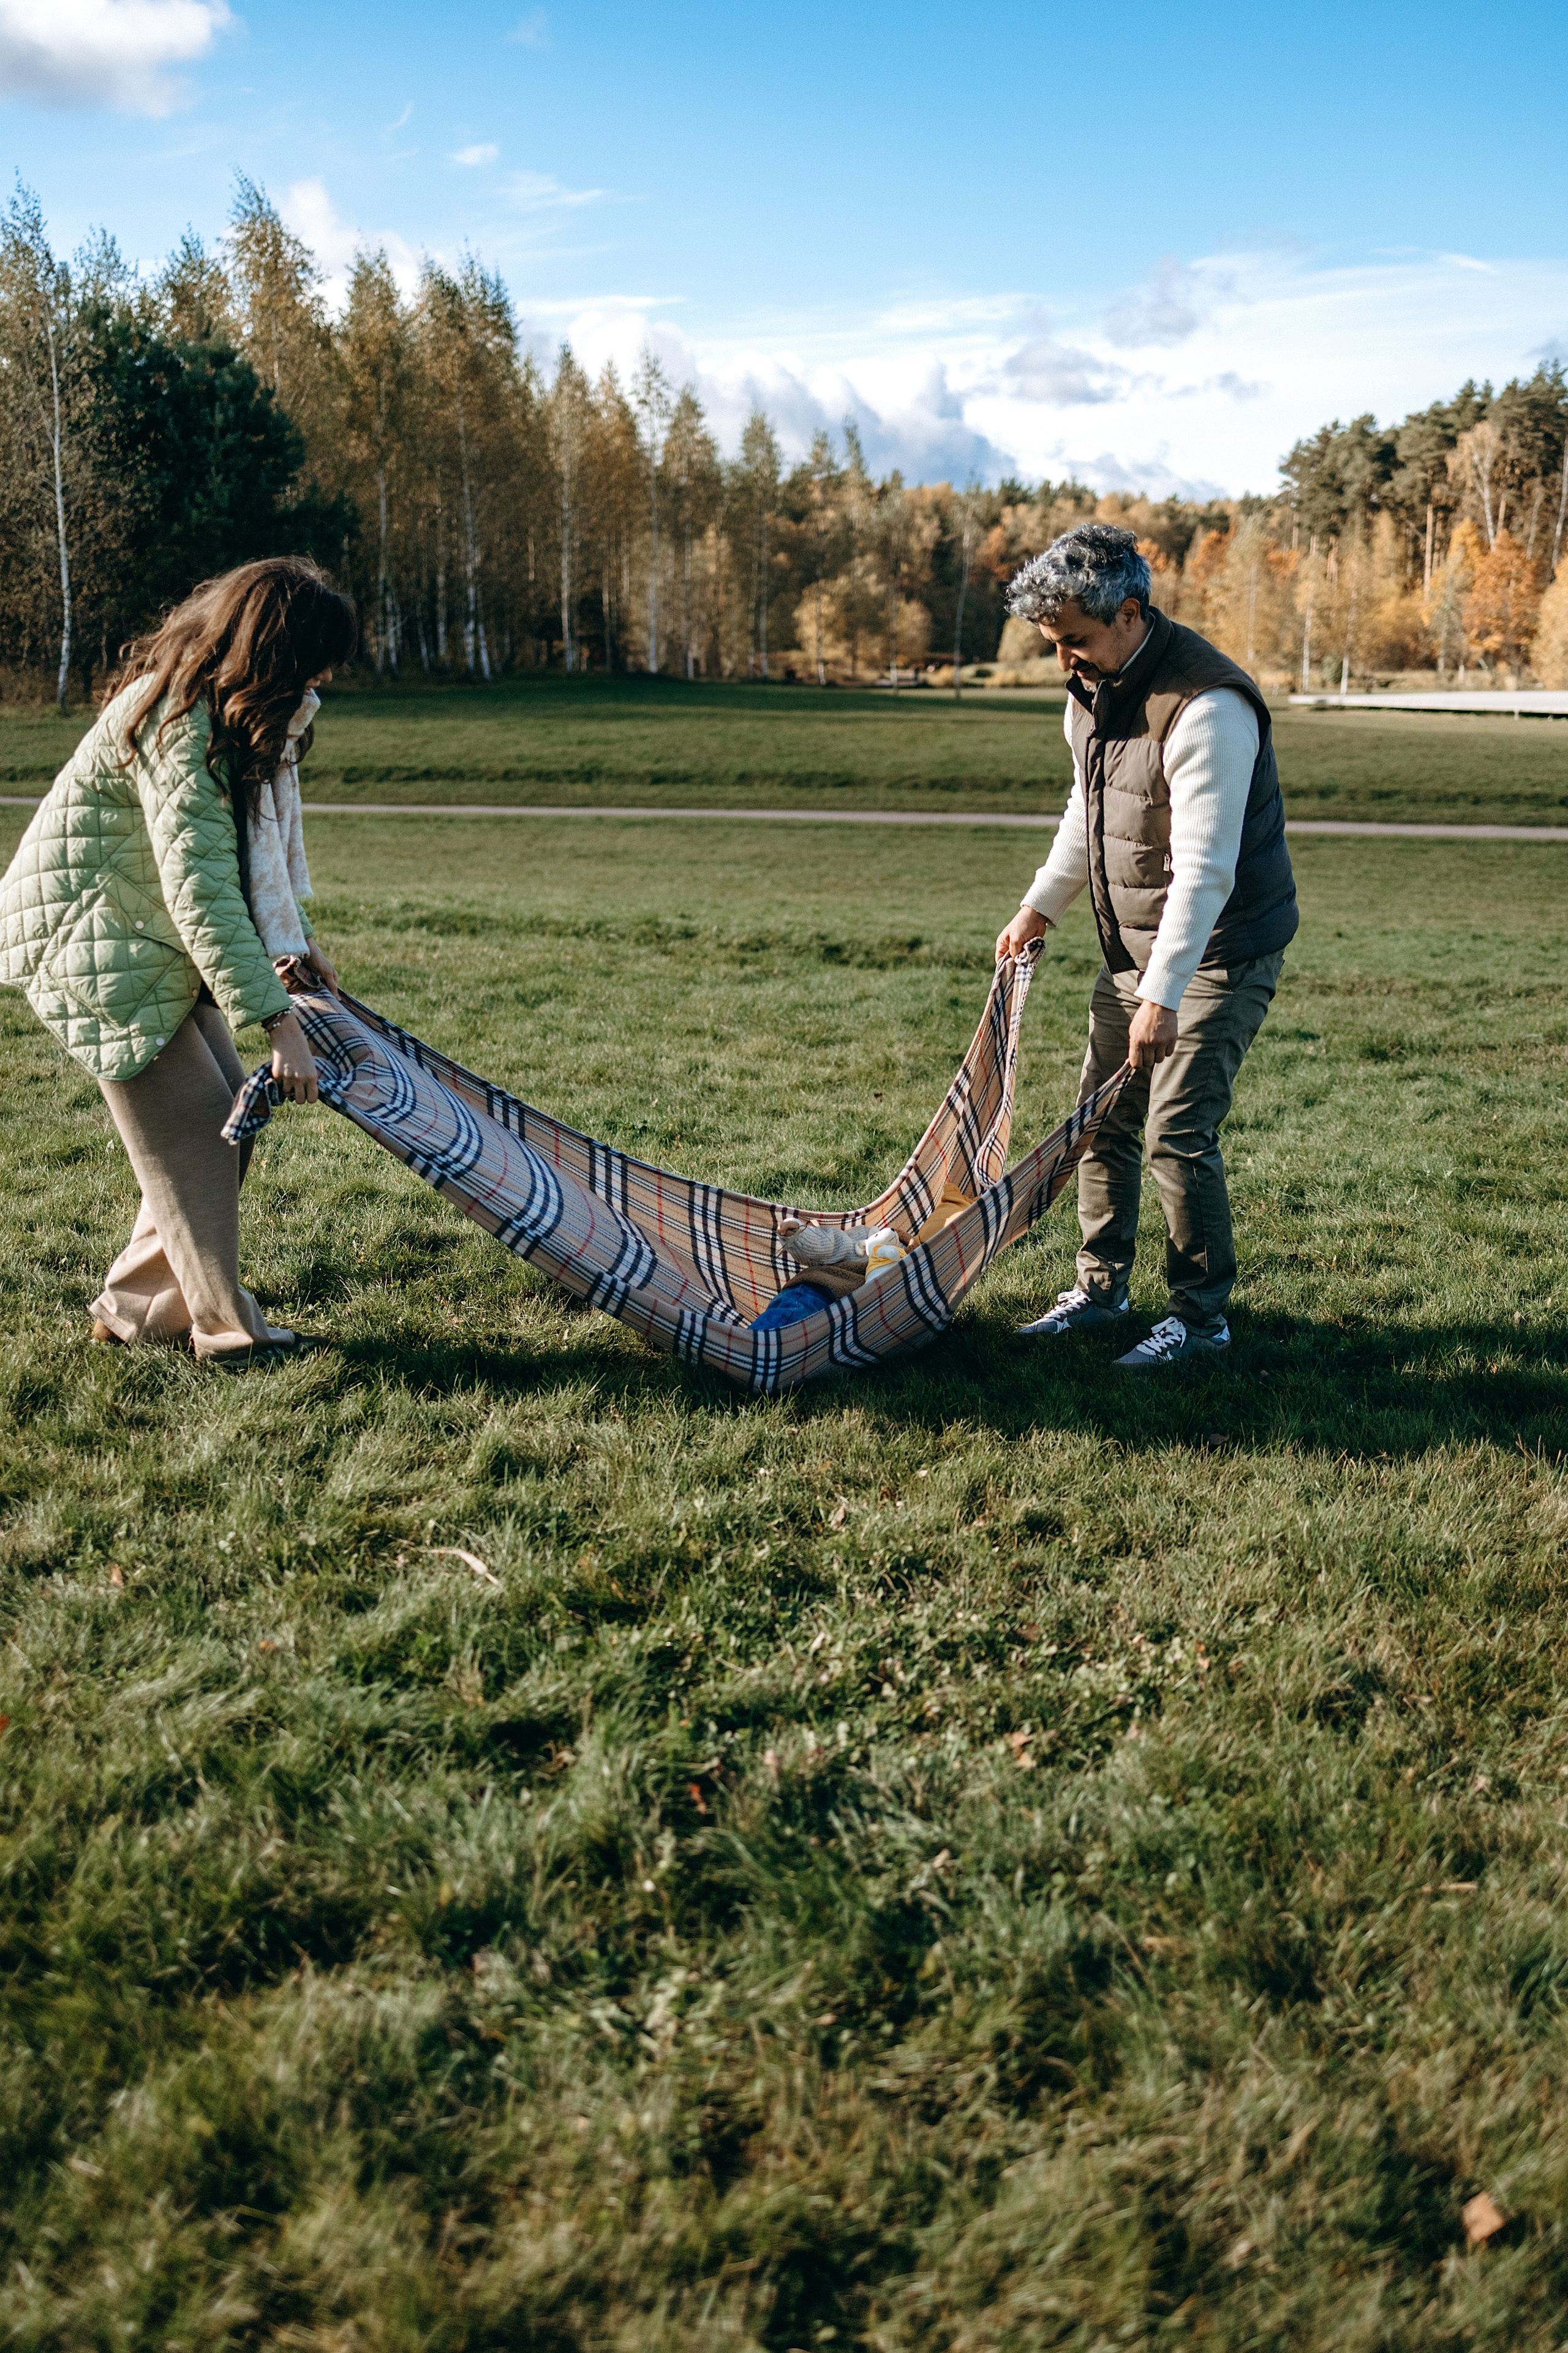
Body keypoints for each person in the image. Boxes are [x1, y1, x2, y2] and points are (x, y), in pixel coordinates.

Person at [0, 556, 355, 1367]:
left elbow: (241, 865)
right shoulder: (179, 725)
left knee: (228, 1113)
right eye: (314, 661)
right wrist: (278, 1024)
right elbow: (203, 894)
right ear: (272, 652)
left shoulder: (218, 719)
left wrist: (298, 946)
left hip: (140, 933)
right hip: (93, 945)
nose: (324, 679)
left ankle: (136, 1310)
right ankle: (228, 1332)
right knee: (205, 1128)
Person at [995, 522, 1297, 1369]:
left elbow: (1206, 871)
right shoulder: (1093, 690)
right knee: (1101, 1121)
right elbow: (1088, 812)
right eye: (1054, 643)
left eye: (1076, 640)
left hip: (1221, 948)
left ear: (1129, 615)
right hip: (1137, 946)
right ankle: (1100, 1295)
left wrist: (1161, 997)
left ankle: (1201, 1325)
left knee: (1176, 1132)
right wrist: (1039, 907)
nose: (1065, 660)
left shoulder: (1208, 708)